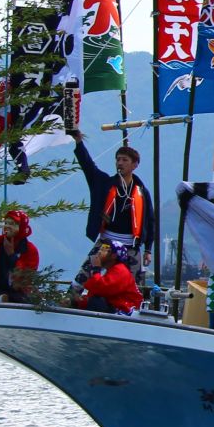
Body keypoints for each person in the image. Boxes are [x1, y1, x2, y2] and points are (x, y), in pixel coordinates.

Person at [69, 129, 156, 282]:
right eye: (118, 159)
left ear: (135, 164)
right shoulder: (105, 183)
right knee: (82, 279)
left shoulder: (142, 192)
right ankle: (73, 301)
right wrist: (79, 142)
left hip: (131, 246)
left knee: (133, 286)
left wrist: (148, 249)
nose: (120, 163)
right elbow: (88, 167)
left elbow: (150, 221)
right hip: (106, 243)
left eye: (124, 160)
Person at [75, 240, 142, 315]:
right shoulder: (112, 270)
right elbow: (94, 291)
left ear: (114, 256)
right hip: (117, 308)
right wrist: (80, 301)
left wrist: (96, 269)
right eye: (100, 249)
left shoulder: (120, 271)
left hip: (126, 310)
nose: (99, 252)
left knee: (96, 301)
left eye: (104, 250)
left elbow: (101, 289)